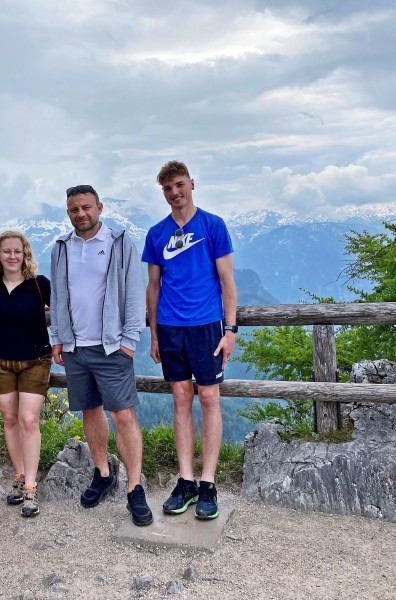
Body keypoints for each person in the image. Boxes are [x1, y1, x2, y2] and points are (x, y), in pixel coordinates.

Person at [49, 184, 153, 527]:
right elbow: (58, 295)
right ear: (68, 213)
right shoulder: (61, 247)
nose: (81, 214)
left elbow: (134, 292)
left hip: (111, 347)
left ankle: (135, 488)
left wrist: (129, 341)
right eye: (74, 209)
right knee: (90, 411)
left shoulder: (119, 242)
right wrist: (58, 338)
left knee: (123, 415)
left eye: (86, 207)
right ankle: (103, 474)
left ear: (99, 208)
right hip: (75, 347)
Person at [142, 160, 237, 520]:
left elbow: (227, 281)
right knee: (181, 398)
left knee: (209, 397)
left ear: (191, 184)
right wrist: (154, 333)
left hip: (206, 324)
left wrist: (230, 330)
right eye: (168, 188)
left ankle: (208, 483)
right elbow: (153, 286)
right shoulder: (157, 233)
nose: (175, 192)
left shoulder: (213, 225)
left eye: (179, 184)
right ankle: (186, 481)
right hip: (170, 326)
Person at [0, 230, 52, 518]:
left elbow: (62, 310)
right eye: (6, 251)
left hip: (35, 360)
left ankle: (31, 487)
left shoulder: (40, 284)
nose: (12, 256)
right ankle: (19, 477)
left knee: (28, 421)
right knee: (10, 420)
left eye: (17, 251)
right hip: (0, 361)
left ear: (25, 254)